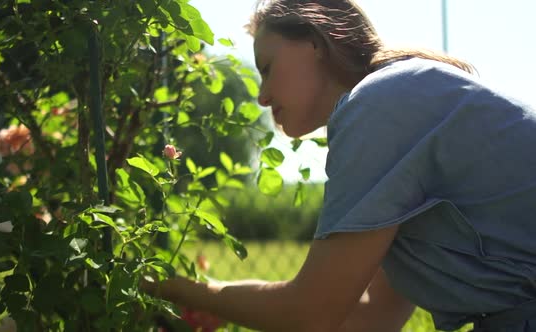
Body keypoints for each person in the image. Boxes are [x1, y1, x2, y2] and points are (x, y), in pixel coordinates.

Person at [141, 0, 536, 331]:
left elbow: (309, 312)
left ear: (314, 42)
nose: (262, 96)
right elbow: (373, 317)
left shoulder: (379, 104)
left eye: (267, 67)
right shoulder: (397, 98)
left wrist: (176, 290)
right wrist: (225, 305)